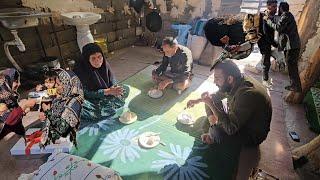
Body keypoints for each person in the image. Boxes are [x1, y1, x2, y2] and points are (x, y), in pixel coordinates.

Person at [187, 60, 272, 146]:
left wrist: (210, 104)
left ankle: (214, 132)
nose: (214, 82)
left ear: (229, 79)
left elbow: (230, 129)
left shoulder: (246, 94)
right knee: (210, 100)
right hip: (240, 120)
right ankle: (213, 127)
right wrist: (198, 100)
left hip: (251, 134)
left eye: (217, 78)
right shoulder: (237, 80)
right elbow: (216, 96)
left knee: (218, 133)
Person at [74, 43, 128, 123]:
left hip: (105, 94)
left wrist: (114, 89)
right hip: (88, 99)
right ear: (87, 59)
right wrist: (107, 91)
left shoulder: (104, 64)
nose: (98, 61)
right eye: (93, 58)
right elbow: (85, 93)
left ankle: (107, 106)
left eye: (99, 57)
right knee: (82, 107)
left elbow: (112, 81)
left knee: (125, 89)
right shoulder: (80, 70)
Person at [39, 69, 84, 147]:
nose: (55, 86)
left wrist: (48, 112)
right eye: (55, 83)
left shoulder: (73, 103)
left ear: (67, 85)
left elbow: (62, 129)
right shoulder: (60, 97)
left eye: (58, 83)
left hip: (68, 142)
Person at [264, 2, 302, 92]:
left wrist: (268, 21)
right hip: (291, 46)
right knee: (291, 66)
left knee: (291, 66)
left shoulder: (286, 16)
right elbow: (277, 19)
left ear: (281, 8)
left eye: (277, 7)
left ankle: (296, 86)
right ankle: (295, 85)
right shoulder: (287, 16)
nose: (277, 9)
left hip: (292, 46)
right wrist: (269, 17)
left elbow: (278, 27)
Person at [0, 68, 36, 140]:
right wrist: (24, 105)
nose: (19, 84)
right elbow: (8, 121)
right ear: (6, 82)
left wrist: (23, 109)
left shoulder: (8, 96)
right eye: (16, 81)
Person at [258, 0, 278, 87]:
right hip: (264, 41)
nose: (275, 8)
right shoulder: (265, 16)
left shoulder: (271, 16)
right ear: (268, 6)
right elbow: (266, 32)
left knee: (266, 59)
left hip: (267, 41)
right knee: (266, 62)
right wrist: (274, 43)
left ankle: (265, 79)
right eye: (273, 6)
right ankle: (265, 80)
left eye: (276, 6)